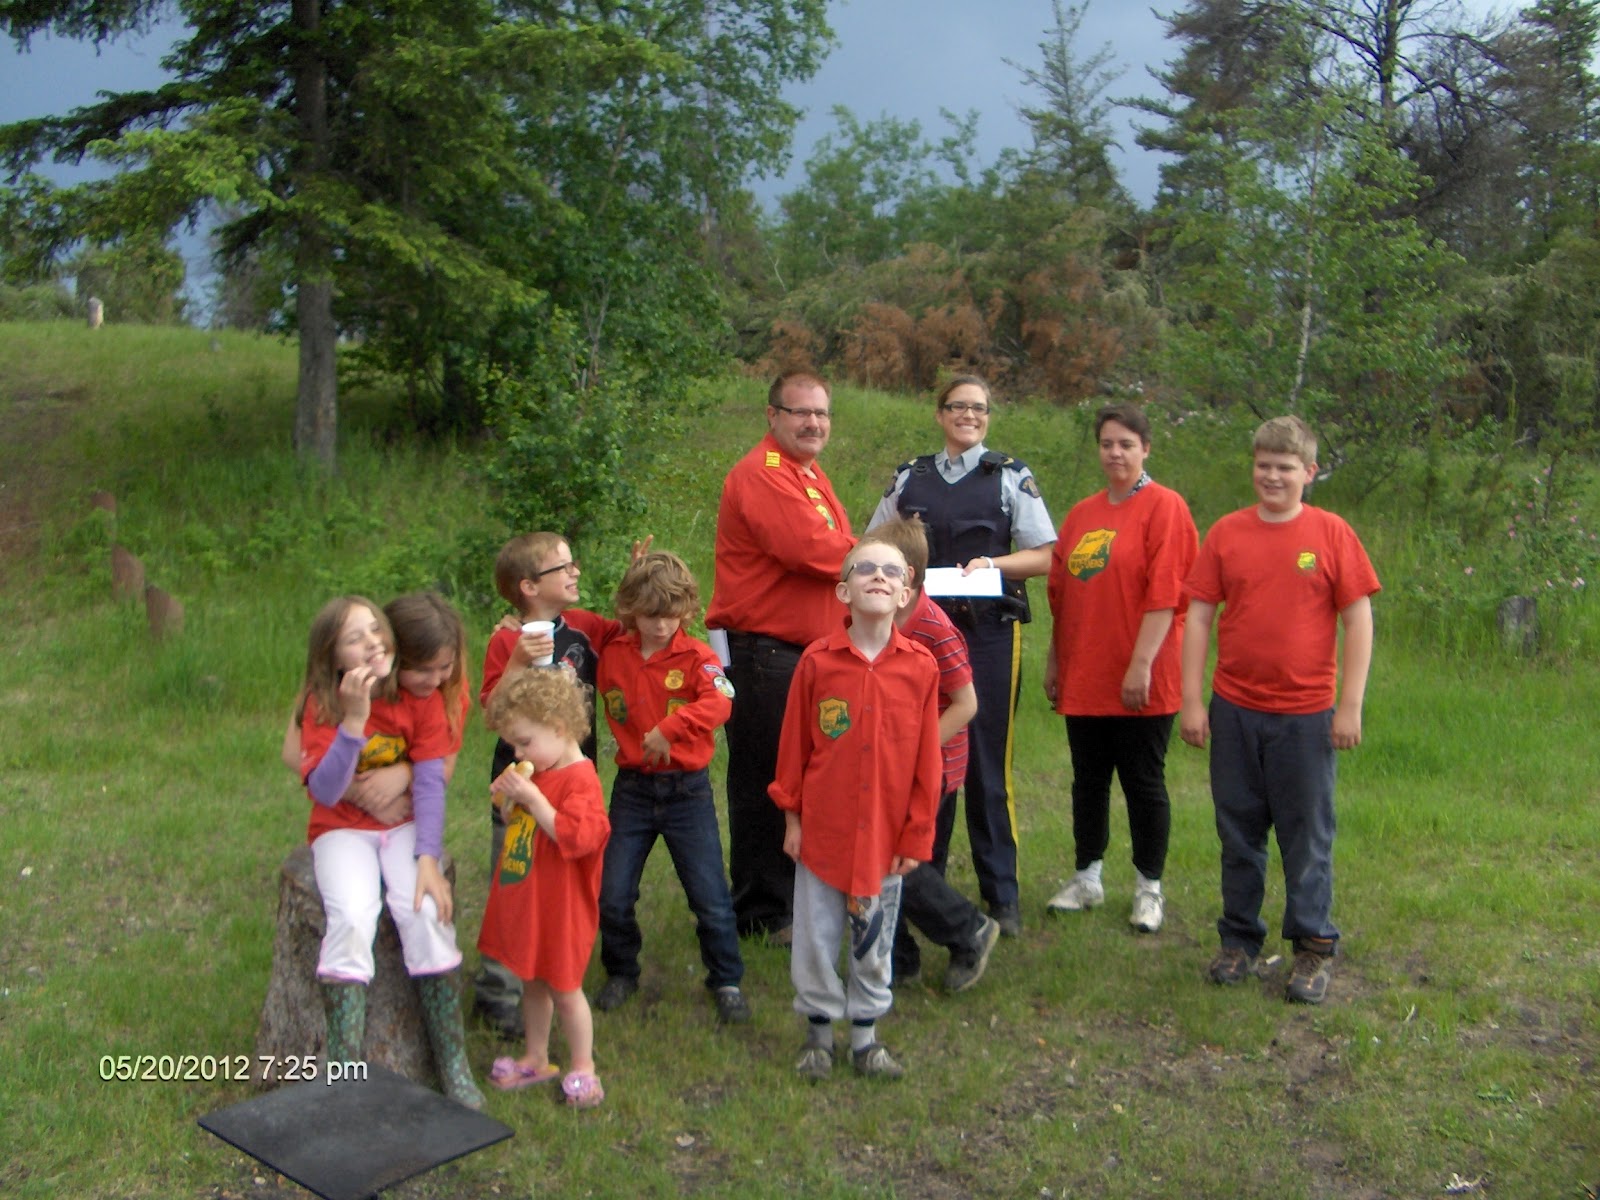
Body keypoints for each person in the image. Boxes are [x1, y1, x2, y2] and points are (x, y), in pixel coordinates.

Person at [1180, 415, 1379, 1005]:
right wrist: (1192, 701)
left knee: (1305, 835)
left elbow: (1358, 619)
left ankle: (1313, 949)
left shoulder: (1332, 533)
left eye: (1285, 467)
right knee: (1238, 830)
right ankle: (1238, 940)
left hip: (1306, 716)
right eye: (1263, 465)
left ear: (1309, 473)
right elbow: (1197, 616)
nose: (1272, 475)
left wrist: (1350, 706)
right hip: (1235, 709)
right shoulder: (1226, 533)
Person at [869, 374, 1056, 936]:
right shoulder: (911, 477)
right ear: (939, 413)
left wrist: (993, 565)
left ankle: (1003, 897)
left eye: (979, 408)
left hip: (989, 633)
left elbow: (1045, 555)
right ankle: (932, 890)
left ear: (988, 417)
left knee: (985, 765)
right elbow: (873, 545)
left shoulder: (1010, 475)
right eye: (957, 406)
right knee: (924, 760)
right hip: (918, 633)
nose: (968, 416)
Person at [292, 595, 483, 1109]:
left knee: (424, 911)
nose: (373, 642)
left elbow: (430, 782)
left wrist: (428, 858)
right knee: (351, 917)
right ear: (332, 656)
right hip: (340, 828)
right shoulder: (323, 701)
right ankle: (344, 1067)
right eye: (356, 637)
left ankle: (452, 1063)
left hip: (405, 826)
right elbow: (327, 791)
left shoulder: (419, 697)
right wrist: (353, 721)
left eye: (376, 630)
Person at [770, 537, 943, 1080]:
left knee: (873, 938)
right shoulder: (817, 663)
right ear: (843, 590)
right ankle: (818, 1037)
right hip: (823, 832)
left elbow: (926, 762)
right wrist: (793, 819)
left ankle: (866, 1038)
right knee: (817, 937)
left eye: (892, 571)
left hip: (885, 840)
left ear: (906, 592)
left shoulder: (920, 667)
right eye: (864, 568)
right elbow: (795, 748)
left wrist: (916, 836)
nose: (879, 576)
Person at [707, 370, 856, 943]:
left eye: (822, 414)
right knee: (765, 782)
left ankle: (789, 900)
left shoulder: (807, 474)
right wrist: (880, 557)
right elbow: (813, 550)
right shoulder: (763, 475)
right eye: (801, 413)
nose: (814, 423)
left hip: (799, 655)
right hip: (766, 657)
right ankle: (760, 913)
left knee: (797, 779)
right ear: (772, 416)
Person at [1043, 403, 1199, 934]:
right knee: (1087, 780)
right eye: (1107, 443)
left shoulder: (1165, 507)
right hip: (1085, 671)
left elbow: (1167, 593)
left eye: (1126, 444)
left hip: (1142, 675)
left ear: (1146, 449)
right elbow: (1062, 594)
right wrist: (1055, 661)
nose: (1116, 453)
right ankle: (1087, 877)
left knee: (1142, 781)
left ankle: (1148, 888)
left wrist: (1140, 665)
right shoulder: (1083, 513)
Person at [591, 552, 750, 1023]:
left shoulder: (698, 656)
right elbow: (574, 624)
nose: (661, 626)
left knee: (710, 897)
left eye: (671, 615)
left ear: (686, 611)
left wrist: (673, 727)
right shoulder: (613, 651)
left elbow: (723, 701)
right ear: (630, 611)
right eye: (650, 615)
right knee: (613, 893)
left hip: (687, 793)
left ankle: (726, 979)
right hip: (633, 792)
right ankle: (621, 971)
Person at [473, 531, 614, 1036]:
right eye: (563, 567)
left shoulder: (583, 630)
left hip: (572, 782)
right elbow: (491, 712)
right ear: (528, 586)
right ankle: (498, 989)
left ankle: (556, 970)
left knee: (558, 885)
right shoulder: (506, 639)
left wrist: (641, 579)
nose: (575, 572)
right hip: (518, 786)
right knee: (513, 877)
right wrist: (515, 659)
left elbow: (632, 632)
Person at [868, 517, 1001, 993]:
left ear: (911, 577)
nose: (873, 578)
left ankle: (969, 930)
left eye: (883, 570)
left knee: (900, 861)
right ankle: (900, 959)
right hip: (886, 766)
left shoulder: (934, 628)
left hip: (934, 769)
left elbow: (966, 704)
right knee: (897, 862)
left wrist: (913, 752)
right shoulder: (874, 619)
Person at [478, 669, 612, 1107]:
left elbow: (577, 837)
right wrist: (510, 802)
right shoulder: (540, 768)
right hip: (530, 898)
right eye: (513, 745)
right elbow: (515, 823)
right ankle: (535, 1056)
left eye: (524, 742)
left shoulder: (579, 779)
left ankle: (583, 1066)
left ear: (558, 729)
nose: (518, 752)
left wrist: (534, 799)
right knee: (532, 982)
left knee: (565, 989)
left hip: (562, 907)